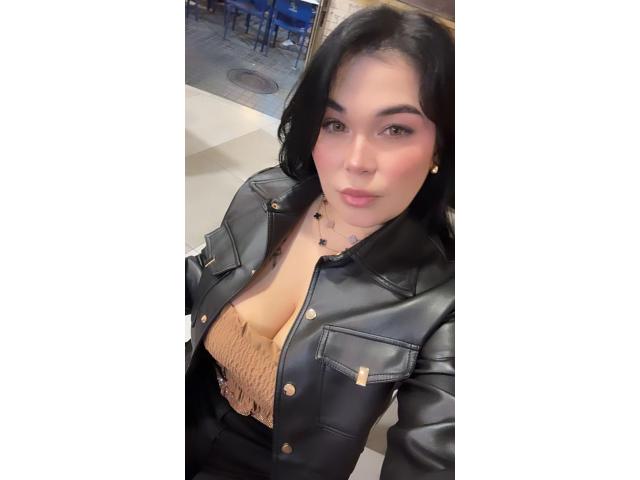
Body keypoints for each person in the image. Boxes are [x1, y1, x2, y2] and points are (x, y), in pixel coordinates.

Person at [185, 5, 454, 479]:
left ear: (440, 145)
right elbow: (207, 270)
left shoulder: (441, 302)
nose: (356, 161)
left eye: (395, 129)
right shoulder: (269, 195)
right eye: (335, 124)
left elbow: (435, 453)